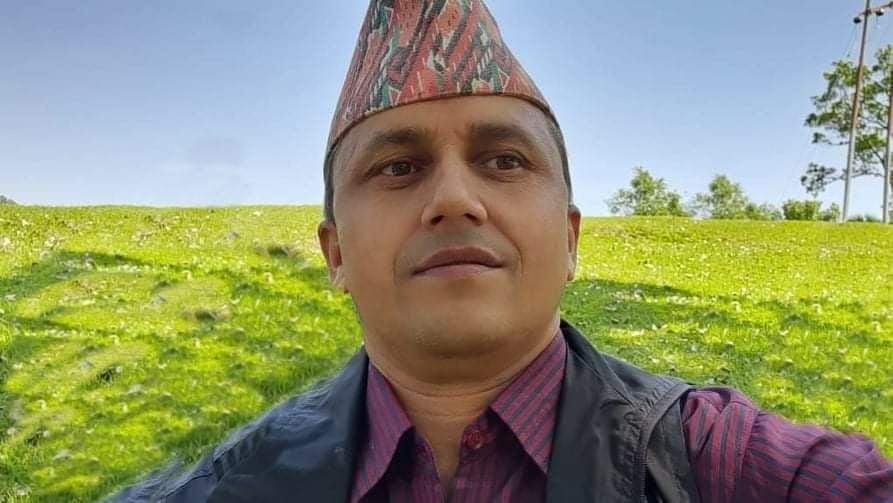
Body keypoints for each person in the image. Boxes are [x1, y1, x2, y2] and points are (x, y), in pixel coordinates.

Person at [112, 1, 892, 501]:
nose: (454, 197)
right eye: (397, 167)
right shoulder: (224, 487)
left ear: (570, 238)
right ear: (334, 252)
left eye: (504, 159)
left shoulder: (711, 459)